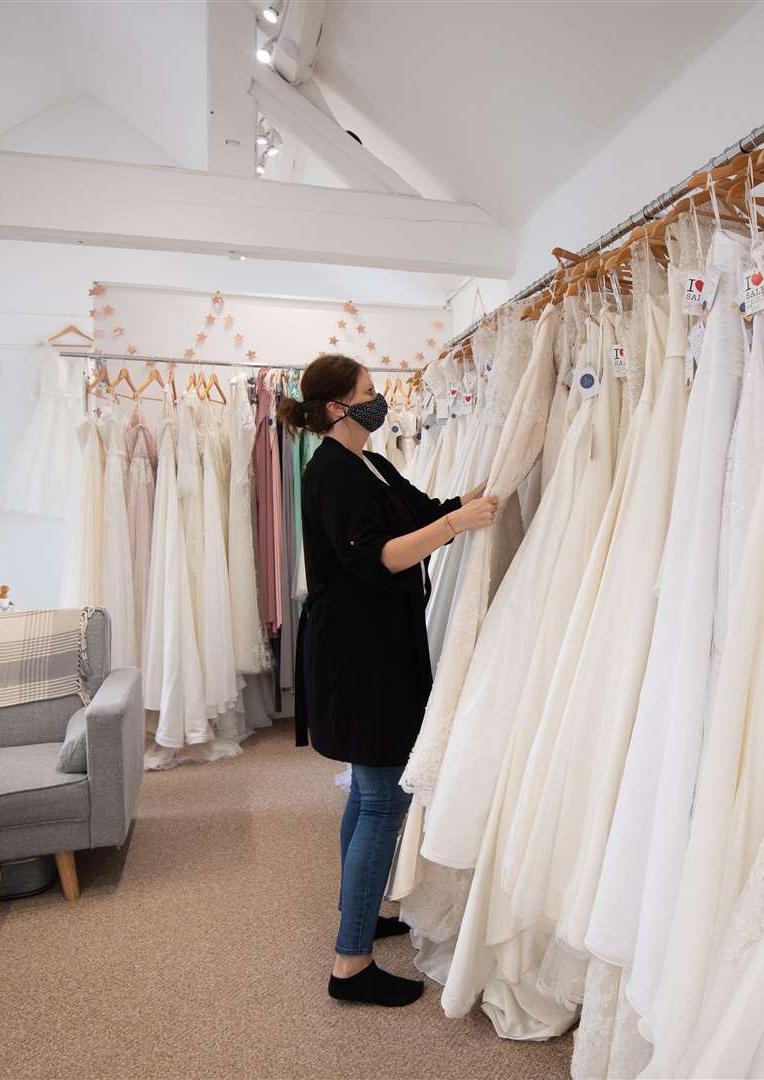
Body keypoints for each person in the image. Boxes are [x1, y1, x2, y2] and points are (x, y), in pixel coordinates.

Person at [278, 353, 498, 1007]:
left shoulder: (367, 462)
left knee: (368, 795)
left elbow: (417, 510)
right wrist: (456, 525)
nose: (381, 401)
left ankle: (361, 913)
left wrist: (476, 495)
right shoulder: (332, 473)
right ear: (337, 407)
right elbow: (378, 557)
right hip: (358, 655)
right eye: (370, 393)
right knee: (381, 798)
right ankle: (349, 965)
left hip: (379, 648)